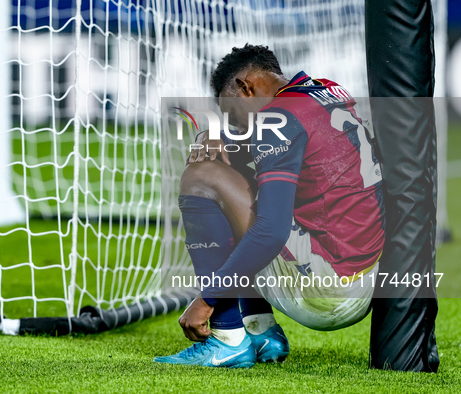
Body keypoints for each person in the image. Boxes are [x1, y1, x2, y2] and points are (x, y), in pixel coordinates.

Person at [154, 44, 385, 369]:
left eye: (231, 112)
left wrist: (207, 300)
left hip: (329, 292)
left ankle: (226, 338)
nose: (232, 123)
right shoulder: (324, 90)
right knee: (244, 178)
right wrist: (227, 138)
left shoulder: (275, 120)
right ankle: (262, 332)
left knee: (202, 177)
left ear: (245, 88)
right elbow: (292, 141)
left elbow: (272, 231)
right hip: (370, 279)